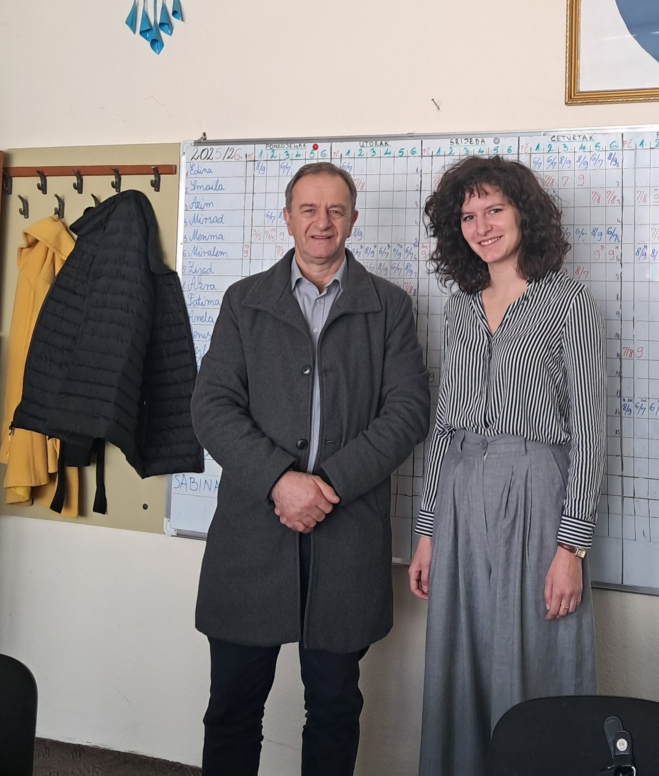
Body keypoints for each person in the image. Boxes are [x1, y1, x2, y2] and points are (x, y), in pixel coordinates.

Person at [192, 162, 431, 776]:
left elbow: (407, 413)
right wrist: (280, 481)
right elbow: (212, 407)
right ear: (287, 217)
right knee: (233, 710)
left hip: (346, 536)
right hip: (252, 535)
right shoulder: (243, 301)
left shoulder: (390, 307)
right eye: (308, 209)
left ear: (352, 219)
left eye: (335, 210)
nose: (321, 222)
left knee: (333, 710)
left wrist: (326, 487)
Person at [409, 155, 606, 776]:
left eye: (494, 210)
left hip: (537, 490)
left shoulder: (568, 302)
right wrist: (426, 531)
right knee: (462, 653)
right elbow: (445, 423)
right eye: (468, 216)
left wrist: (570, 549)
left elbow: (590, 432)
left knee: (537, 652)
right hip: (461, 492)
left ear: (524, 214)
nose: (482, 226)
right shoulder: (460, 306)